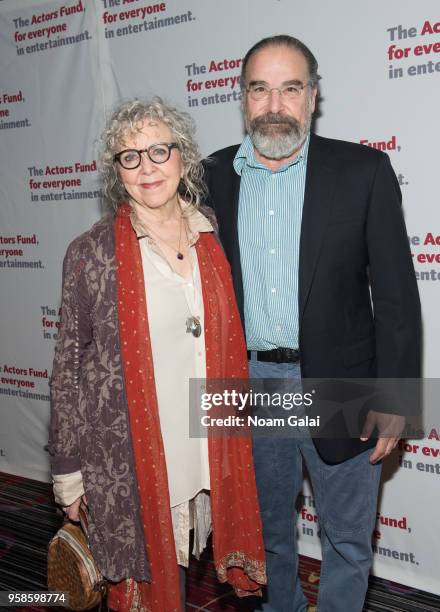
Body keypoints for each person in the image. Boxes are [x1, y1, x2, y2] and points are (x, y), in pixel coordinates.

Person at [203, 35, 421, 612]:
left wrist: (397, 400)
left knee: (347, 541)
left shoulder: (364, 170)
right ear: (243, 98)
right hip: (247, 382)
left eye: (291, 88)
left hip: (341, 380)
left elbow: (397, 297)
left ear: (313, 96)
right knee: (265, 534)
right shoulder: (211, 176)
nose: (275, 104)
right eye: (260, 89)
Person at [48, 97, 266, 612]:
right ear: (116, 172)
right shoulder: (91, 252)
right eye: (130, 156)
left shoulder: (210, 232)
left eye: (159, 151)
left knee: (186, 573)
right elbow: (67, 371)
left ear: (183, 158)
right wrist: (69, 473)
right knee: (146, 590)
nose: (147, 168)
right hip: (132, 454)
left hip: (204, 447)